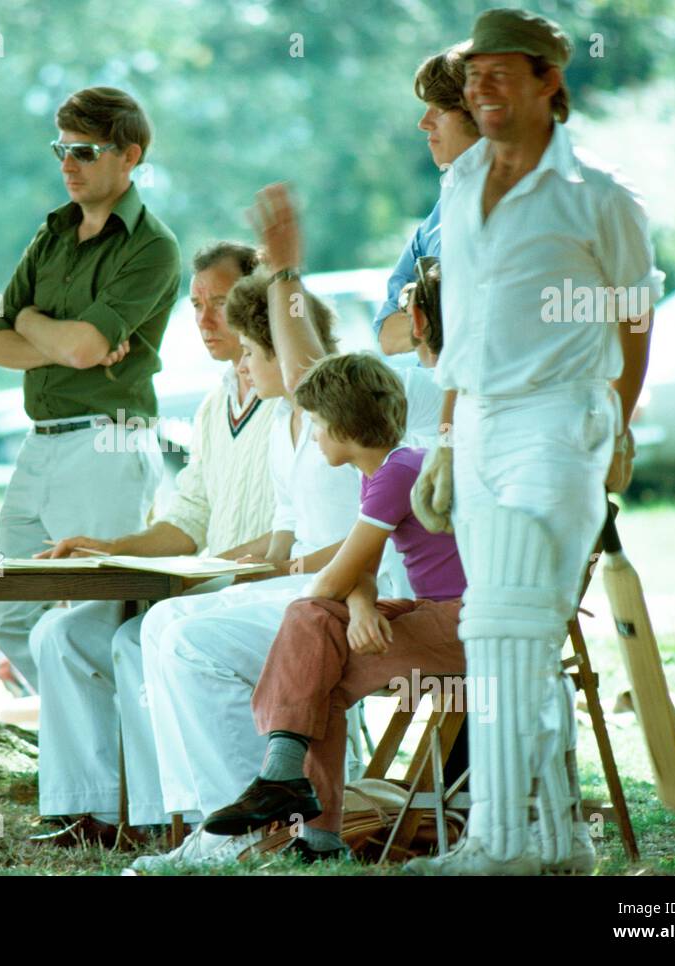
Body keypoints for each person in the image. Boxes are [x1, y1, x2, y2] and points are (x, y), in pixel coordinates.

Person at [407, 7, 661, 875]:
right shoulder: (461, 176)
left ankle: (496, 843)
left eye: (498, 72)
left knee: (507, 620)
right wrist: (445, 436)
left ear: (550, 81)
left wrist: (618, 425)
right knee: (507, 632)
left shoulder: (599, 193)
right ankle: (558, 838)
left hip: (559, 419)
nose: (479, 86)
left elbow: (634, 313)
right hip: (475, 421)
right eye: (472, 73)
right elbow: (466, 325)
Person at [203, 277, 467, 864]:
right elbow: (358, 571)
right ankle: (310, 827)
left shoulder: (397, 474)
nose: (314, 435)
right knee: (315, 651)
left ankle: (290, 790)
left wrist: (349, 597)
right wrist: (363, 602)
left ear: (345, 427)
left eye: (318, 425)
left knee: (307, 623)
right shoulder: (386, 472)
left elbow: (328, 580)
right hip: (439, 616)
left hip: (463, 627)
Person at [27, 242, 279, 849]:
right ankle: (89, 810)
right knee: (57, 635)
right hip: (208, 584)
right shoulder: (216, 402)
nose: (205, 320)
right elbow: (187, 518)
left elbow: (309, 528)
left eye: (221, 304)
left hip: (261, 590)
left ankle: (173, 817)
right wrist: (105, 547)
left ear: (258, 304)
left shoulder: (291, 395)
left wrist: (216, 567)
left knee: (136, 640)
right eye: (196, 305)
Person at [127, 276, 363, 870]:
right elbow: (285, 539)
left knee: (188, 643)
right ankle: (215, 820)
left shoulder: (336, 418)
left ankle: (250, 827)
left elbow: (359, 541)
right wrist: (218, 577)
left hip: (350, 600)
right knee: (161, 622)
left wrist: (282, 266)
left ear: (284, 352)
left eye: (252, 353)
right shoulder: (287, 428)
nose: (242, 366)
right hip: (303, 587)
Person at [0, 86, 181, 690]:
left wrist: (30, 322)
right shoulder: (50, 236)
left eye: (85, 151)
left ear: (130, 156)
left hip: (107, 444)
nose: (67, 164)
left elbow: (83, 348)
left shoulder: (153, 247)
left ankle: (122, 765)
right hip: (37, 443)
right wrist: (61, 339)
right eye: (60, 150)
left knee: (99, 619)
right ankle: (83, 742)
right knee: (4, 609)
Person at [372, 44, 482, 356]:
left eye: (439, 108)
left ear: (480, 112)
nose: (423, 122)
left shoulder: (536, 206)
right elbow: (385, 334)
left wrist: (418, 308)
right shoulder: (439, 218)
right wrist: (436, 317)